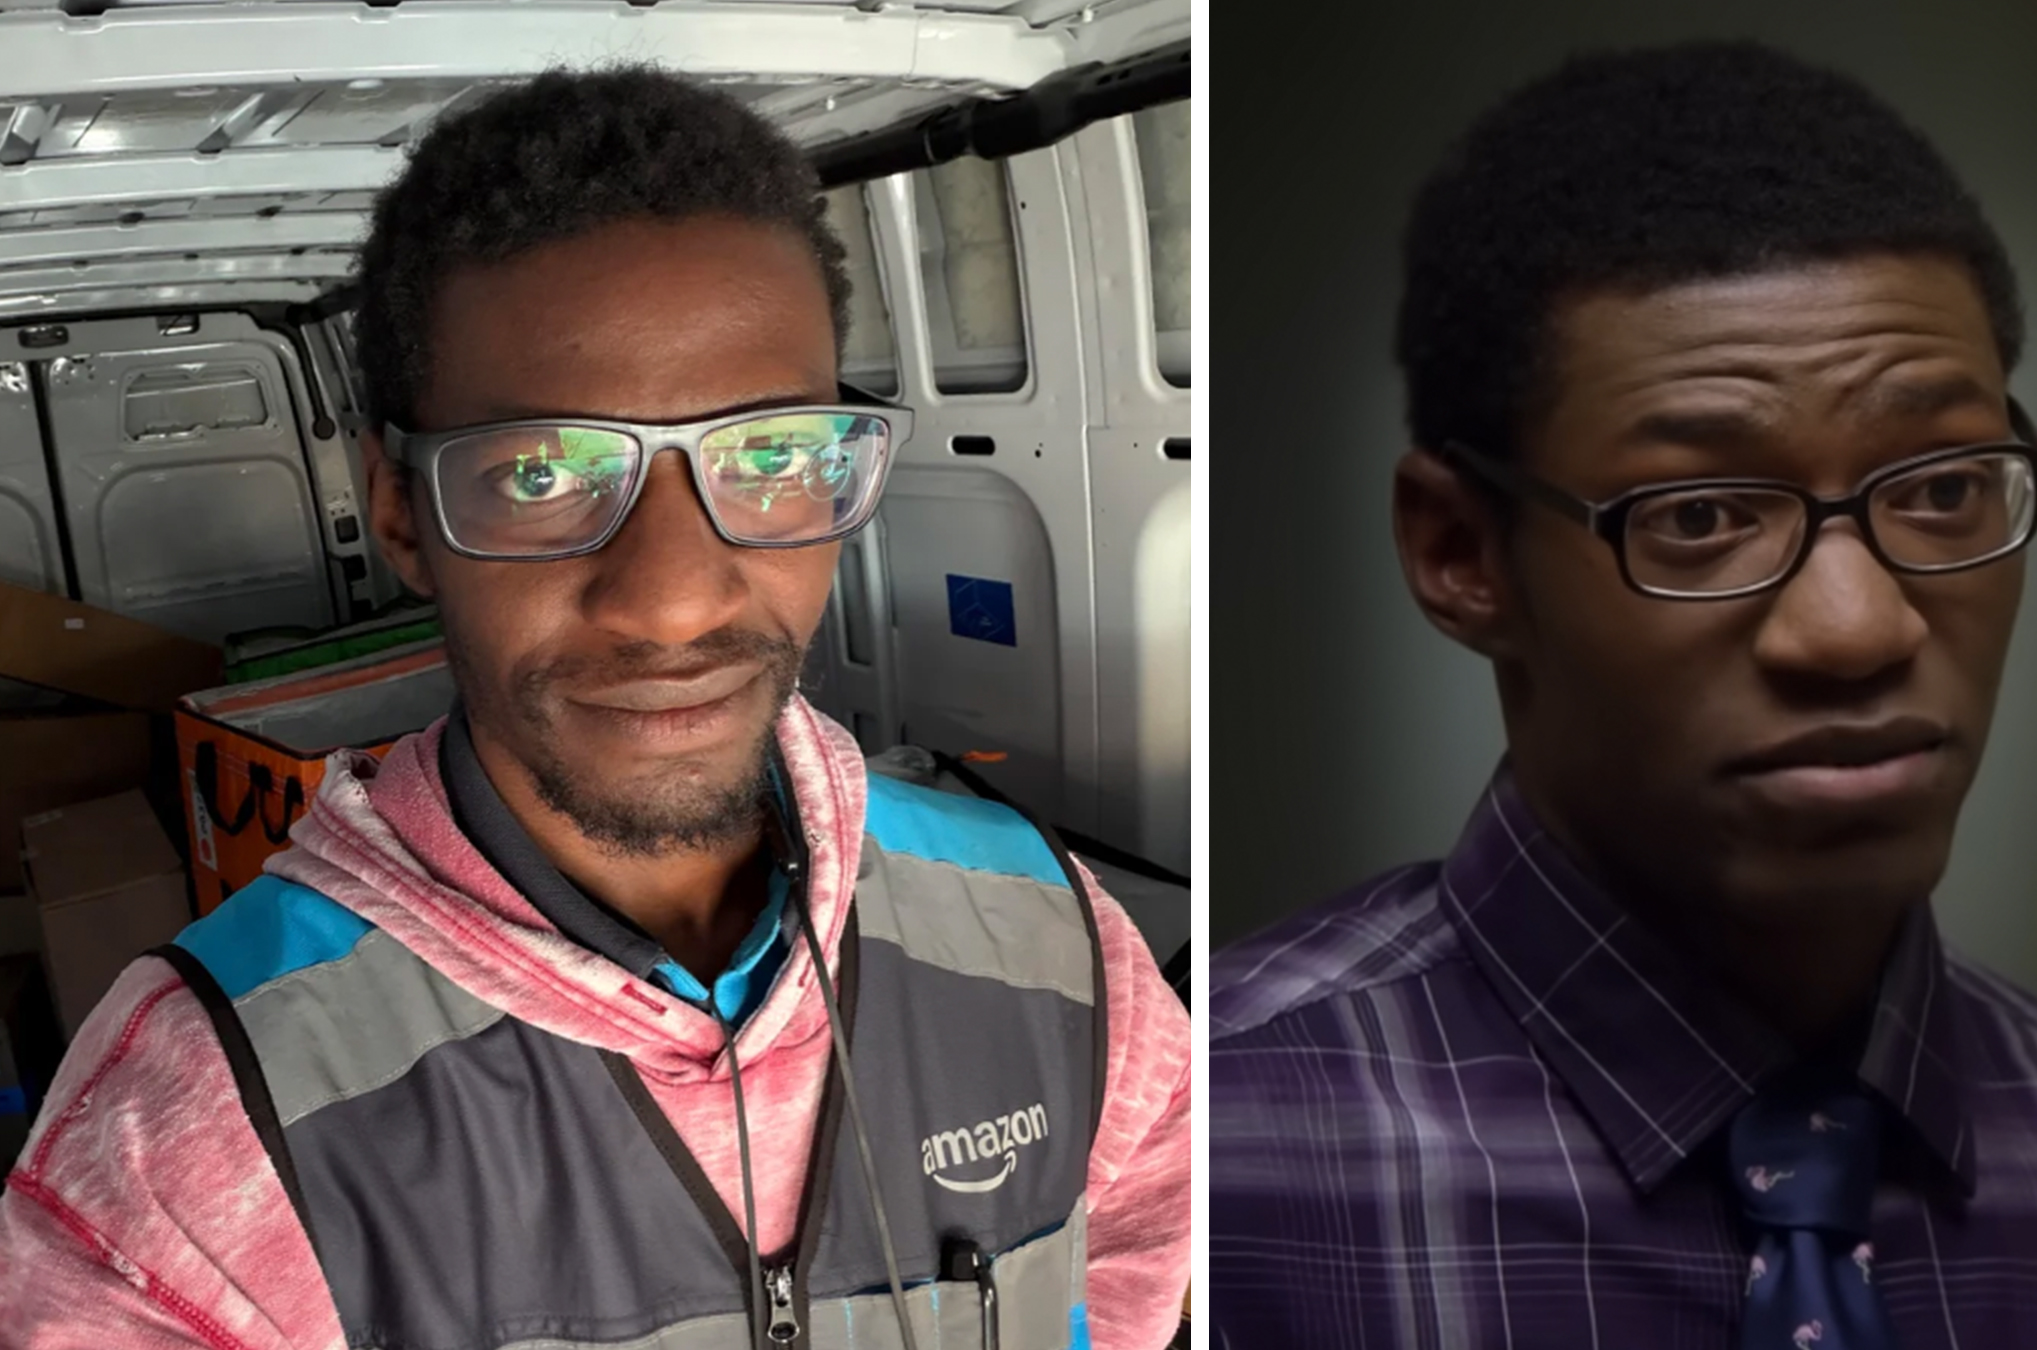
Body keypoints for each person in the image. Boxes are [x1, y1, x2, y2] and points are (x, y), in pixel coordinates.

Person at [0, 67, 1189, 1350]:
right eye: (545, 471)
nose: (673, 601)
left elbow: (1125, 1261)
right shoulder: (191, 1136)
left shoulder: (1056, 934)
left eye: (775, 454)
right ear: (400, 512)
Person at [1208, 41, 2037, 1348]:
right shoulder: (1224, 1168)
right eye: (1700, 513)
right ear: (1462, 554)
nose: (1859, 624)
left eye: (1940, 490)